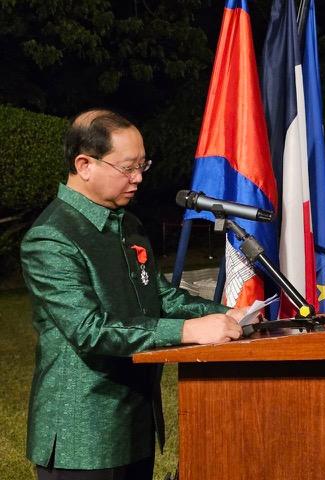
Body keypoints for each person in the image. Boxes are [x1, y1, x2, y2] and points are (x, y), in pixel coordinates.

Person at [21, 109, 245, 480]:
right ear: (84, 164)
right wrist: (187, 333)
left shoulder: (128, 224)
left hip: (135, 421)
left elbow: (160, 297)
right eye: (128, 168)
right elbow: (89, 329)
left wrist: (229, 313)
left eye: (143, 165)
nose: (138, 178)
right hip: (85, 432)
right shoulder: (51, 237)